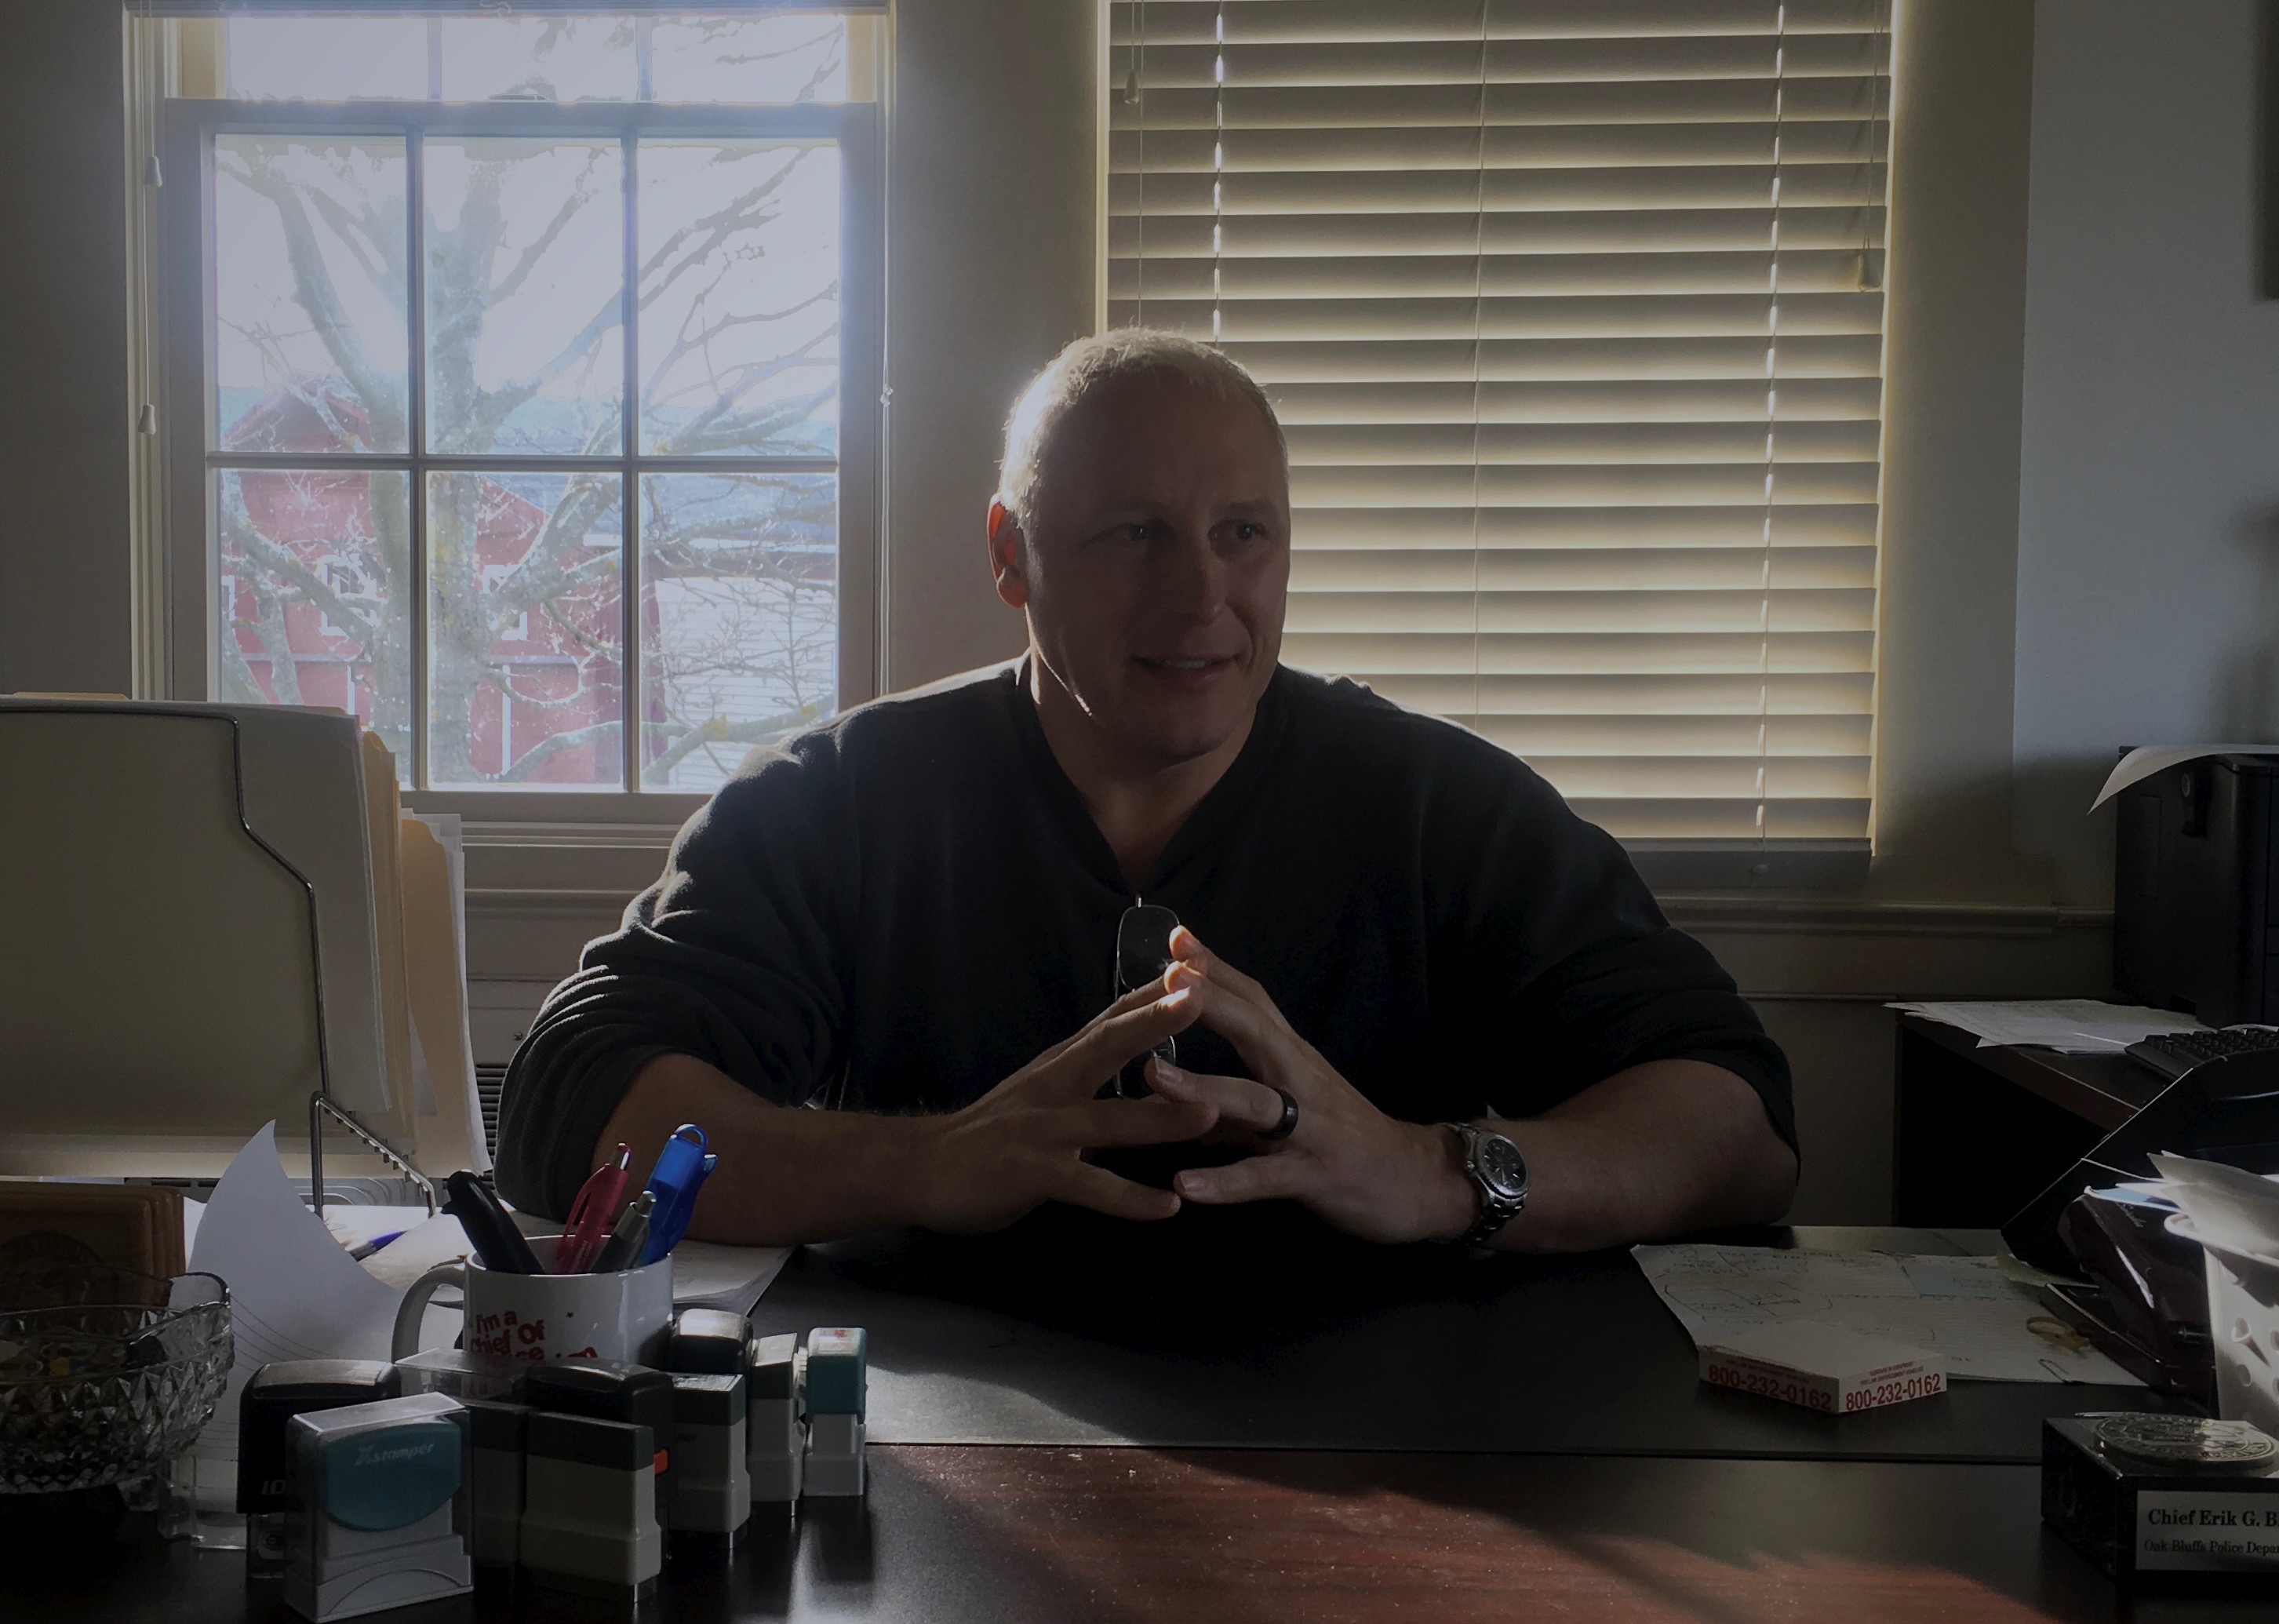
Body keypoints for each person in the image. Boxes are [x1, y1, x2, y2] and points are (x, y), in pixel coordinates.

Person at [496, 330, 1797, 1256]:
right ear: (1013, 556)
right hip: (924, 1468)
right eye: (1133, 534)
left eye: (1244, 533)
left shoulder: (1438, 809)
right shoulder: (843, 801)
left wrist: (1436, 1173)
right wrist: (931, 1164)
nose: (1200, 600)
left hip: (1404, 1459)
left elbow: (1734, 1119)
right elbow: (570, 1096)